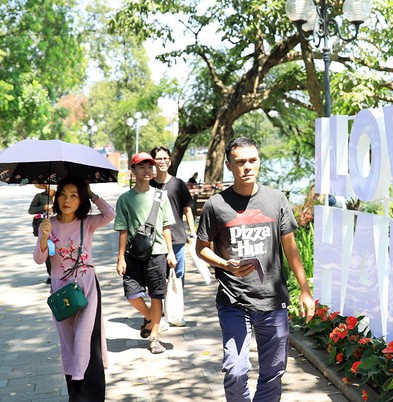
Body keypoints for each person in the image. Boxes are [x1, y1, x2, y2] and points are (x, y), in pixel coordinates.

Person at [195, 137, 315, 401]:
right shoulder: (216, 205)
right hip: (233, 301)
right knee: (235, 370)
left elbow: (291, 249)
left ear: (259, 162)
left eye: (252, 160)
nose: (247, 167)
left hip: (272, 302)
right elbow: (201, 247)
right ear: (229, 165)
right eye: (240, 162)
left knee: (273, 371)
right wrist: (224, 263)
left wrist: (305, 290)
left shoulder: (276, 199)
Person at [33, 176, 116, 401]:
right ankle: (75, 395)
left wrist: (92, 194)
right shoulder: (49, 225)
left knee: (84, 340)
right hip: (61, 292)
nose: (66, 200)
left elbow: (110, 214)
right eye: (62, 194)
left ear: (81, 200)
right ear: (56, 197)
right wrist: (43, 236)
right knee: (69, 344)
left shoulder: (87, 222)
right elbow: (40, 259)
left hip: (86, 288)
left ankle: (90, 396)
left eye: (73, 195)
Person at [114, 152, 177, 354]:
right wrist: (120, 258)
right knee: (132, 294)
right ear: (132, 170)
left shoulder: (161, 196)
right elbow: (123, 230)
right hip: (133, 255)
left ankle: (155, 338)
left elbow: (166, 226)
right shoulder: (124, 199)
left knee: (157, 295)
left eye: (150, 166)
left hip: (157, 253)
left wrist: (170, 252)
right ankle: (150, 317)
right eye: (141, 166)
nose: (147, 170)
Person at [150, 145, 197, 325]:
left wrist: (192, 233)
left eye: (165, 158)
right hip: (156, 240)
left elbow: (187, 209)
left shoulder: (178, 184)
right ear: (154, 161)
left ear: (170, 161)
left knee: (178, 276)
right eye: (159, 159)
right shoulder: (150, 185)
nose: (162, 162)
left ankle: (176, 313)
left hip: (177, 237)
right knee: (158, 278)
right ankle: (159, 315)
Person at [29, 183, 55, 283]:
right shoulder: (39, 196)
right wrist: (44, 207)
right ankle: (51, 274)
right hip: (45, 228)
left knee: (58, 251)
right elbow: (31, 210)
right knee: (47, 251)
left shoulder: (61, 196)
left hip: (60, 227)